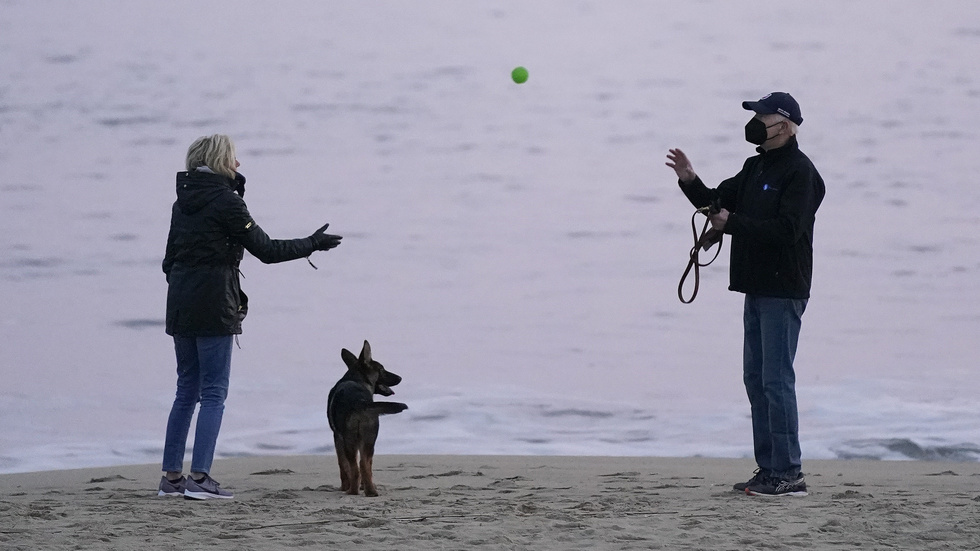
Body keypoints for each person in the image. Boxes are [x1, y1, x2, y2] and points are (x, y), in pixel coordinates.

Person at [158, 134, 342, 500]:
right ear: (220, 160)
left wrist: (189, 286)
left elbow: (168, 260)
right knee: (213, 392)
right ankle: (200, 478)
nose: (239, 165)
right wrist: (313, 243)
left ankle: (171, 478)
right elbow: (267, 250)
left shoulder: (183, 203)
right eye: (234, 158)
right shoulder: (226, 202)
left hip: (180, 303)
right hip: (213, 307)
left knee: (186, 391)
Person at [666, 92, 825, 497]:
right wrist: (689, 179)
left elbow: (788, 230)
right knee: (755, 379)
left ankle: (789, 474)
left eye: (763, 118)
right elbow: (714, 201)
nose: (755, 124)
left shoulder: (800, 173)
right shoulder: (755, 166)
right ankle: (769, 469)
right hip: (754, 286)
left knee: (777, 380)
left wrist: (732, 223)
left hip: (783, 288)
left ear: (785, 127)